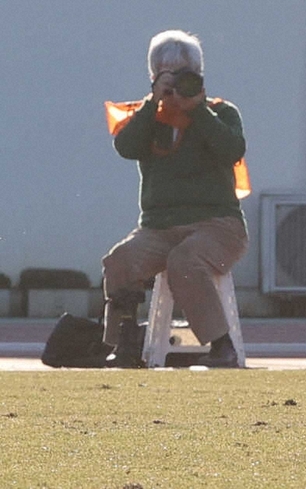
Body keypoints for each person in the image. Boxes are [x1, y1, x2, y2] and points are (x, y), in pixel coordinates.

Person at [102, 30, 249, 368]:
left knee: (184, 261)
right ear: (154, 77)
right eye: (168, 75)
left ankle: (221, 345)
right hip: (158, 228)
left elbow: (232, 149)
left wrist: (195, 110)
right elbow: (126, 147)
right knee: (120, 260)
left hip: (219, 227)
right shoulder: (146, 117)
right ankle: (124, 343)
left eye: (185, 75)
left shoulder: (221, 113)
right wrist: (154, 103)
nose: (176, 84)